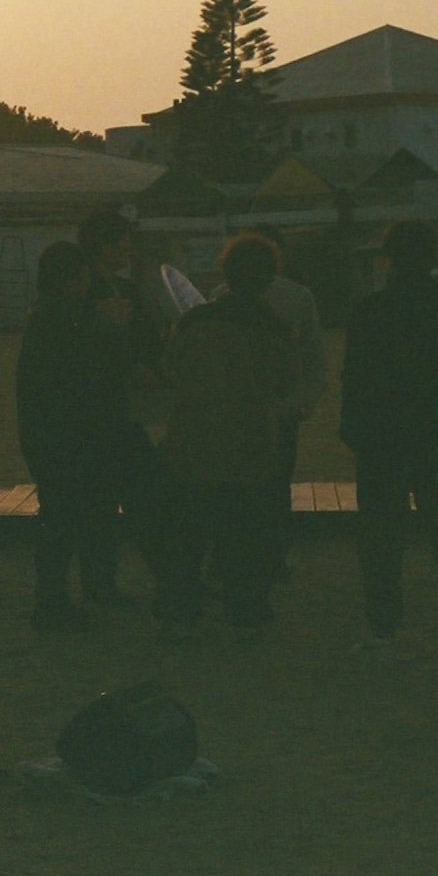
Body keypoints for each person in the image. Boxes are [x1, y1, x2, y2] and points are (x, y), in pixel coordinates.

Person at [340, 220, 438, 646]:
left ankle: (384, 618)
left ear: (390, 259)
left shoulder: (370, 311)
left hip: (381, 435)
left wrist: (354, 425)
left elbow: (355, 377)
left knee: (381, 534)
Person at [159, 234, 296, 631]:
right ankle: (246, 613)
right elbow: (285, 384)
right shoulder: (274, 329)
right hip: (250, 446)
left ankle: (179, 613)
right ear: (269, 278)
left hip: (193, 443)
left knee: (188, 537)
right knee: (246, 537)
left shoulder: (193, 323)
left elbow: (172, 370)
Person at [16, 240, 134, 630]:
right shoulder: (73, 321)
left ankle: (64, 595)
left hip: (52, 436)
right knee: (78, 516)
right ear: (73, 279)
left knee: (66, 516)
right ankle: (63, 597)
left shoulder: (46, 318)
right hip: (76, 435)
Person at [212, 224, 329, 577]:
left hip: (231, 413)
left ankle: (229, 559)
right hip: (280, 412)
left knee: (230, 487)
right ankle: (272, 558)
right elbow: (313, 359)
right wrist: (304, 402)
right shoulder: (297, 297)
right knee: (275, 488)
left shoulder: (218, 298)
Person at [72, 207, 165, 605]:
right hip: (108, 413)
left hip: (110, 413)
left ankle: (105, 584)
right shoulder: (97, 295)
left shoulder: (107, 292)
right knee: (133, 500)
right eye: (122, 241)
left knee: (109, 504)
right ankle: (159, 579)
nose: (128, 247)